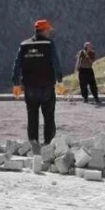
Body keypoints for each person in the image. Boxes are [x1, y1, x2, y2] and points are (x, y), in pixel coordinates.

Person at [12, 20, 65, 149]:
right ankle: (48, 145)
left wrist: (16, 83)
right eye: (48, 30)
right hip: (46, 85)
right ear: (45, 30)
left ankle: (33, 144)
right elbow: (55, 62)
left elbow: (17, 64)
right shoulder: (49, 44)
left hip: (30, 87)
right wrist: (59, 81)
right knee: (48, 116)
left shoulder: (24, 45)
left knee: (32, 116)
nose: (49, 33)